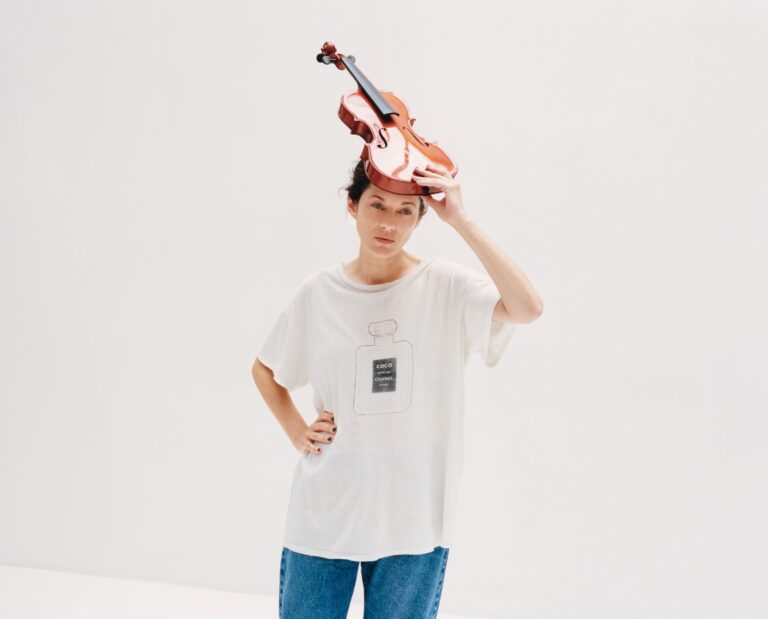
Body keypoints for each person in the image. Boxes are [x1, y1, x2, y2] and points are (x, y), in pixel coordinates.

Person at [252, 158, 543, 618]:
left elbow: (527, 308)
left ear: (421, 218)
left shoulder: (446, 286)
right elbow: (266, 368)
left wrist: (461, 220)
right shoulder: (320, 291)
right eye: (377, 205)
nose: (388, 223)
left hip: (414, 518)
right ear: (352, 205)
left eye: (405, 211)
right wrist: (296, 430)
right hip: (327, 508)